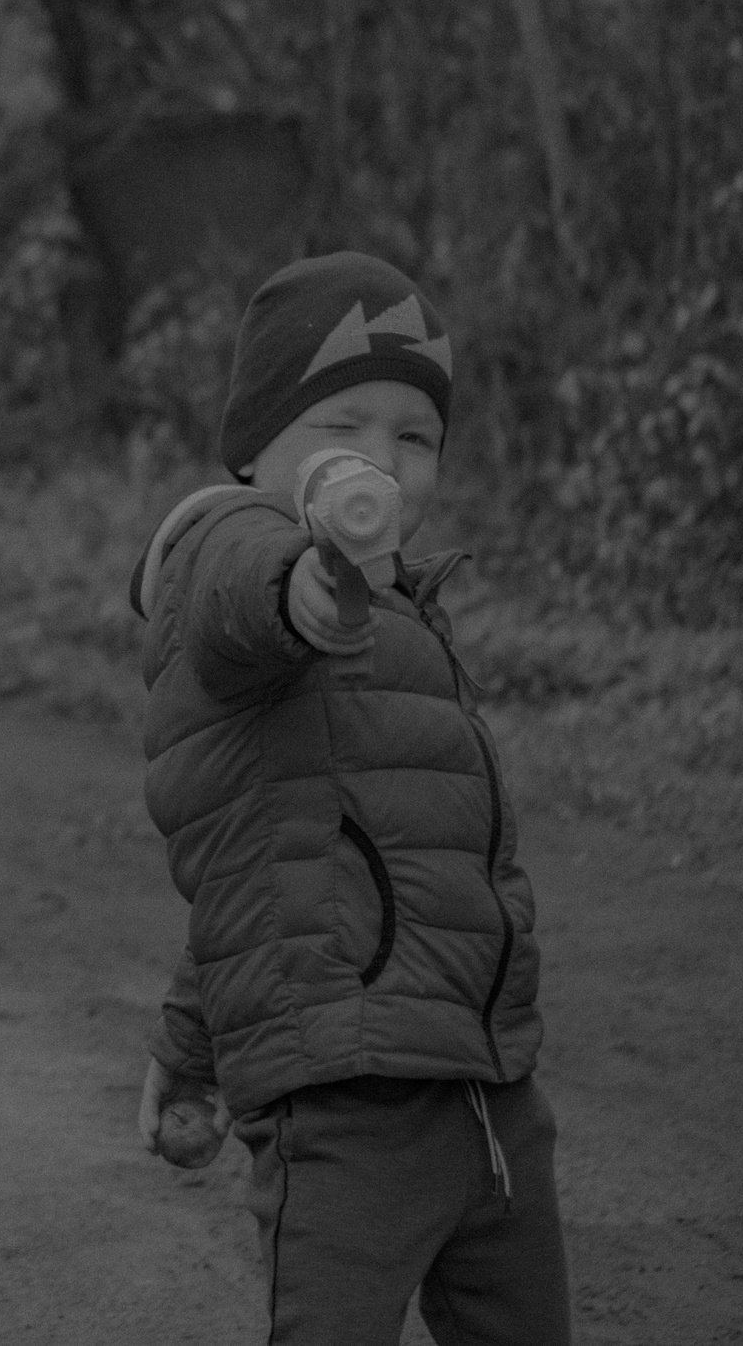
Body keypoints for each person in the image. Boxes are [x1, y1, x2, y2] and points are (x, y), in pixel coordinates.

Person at [126, 251, 569, 1344]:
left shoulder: (406, 610)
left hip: (490, 1096)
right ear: (258, 447)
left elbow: (269, 867)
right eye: (342, 428)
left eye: (413, 436)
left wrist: (186, 1047)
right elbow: (246, 587)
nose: (380, 463)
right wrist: (307, 590)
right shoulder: (226, 547)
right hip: (348, 1100)